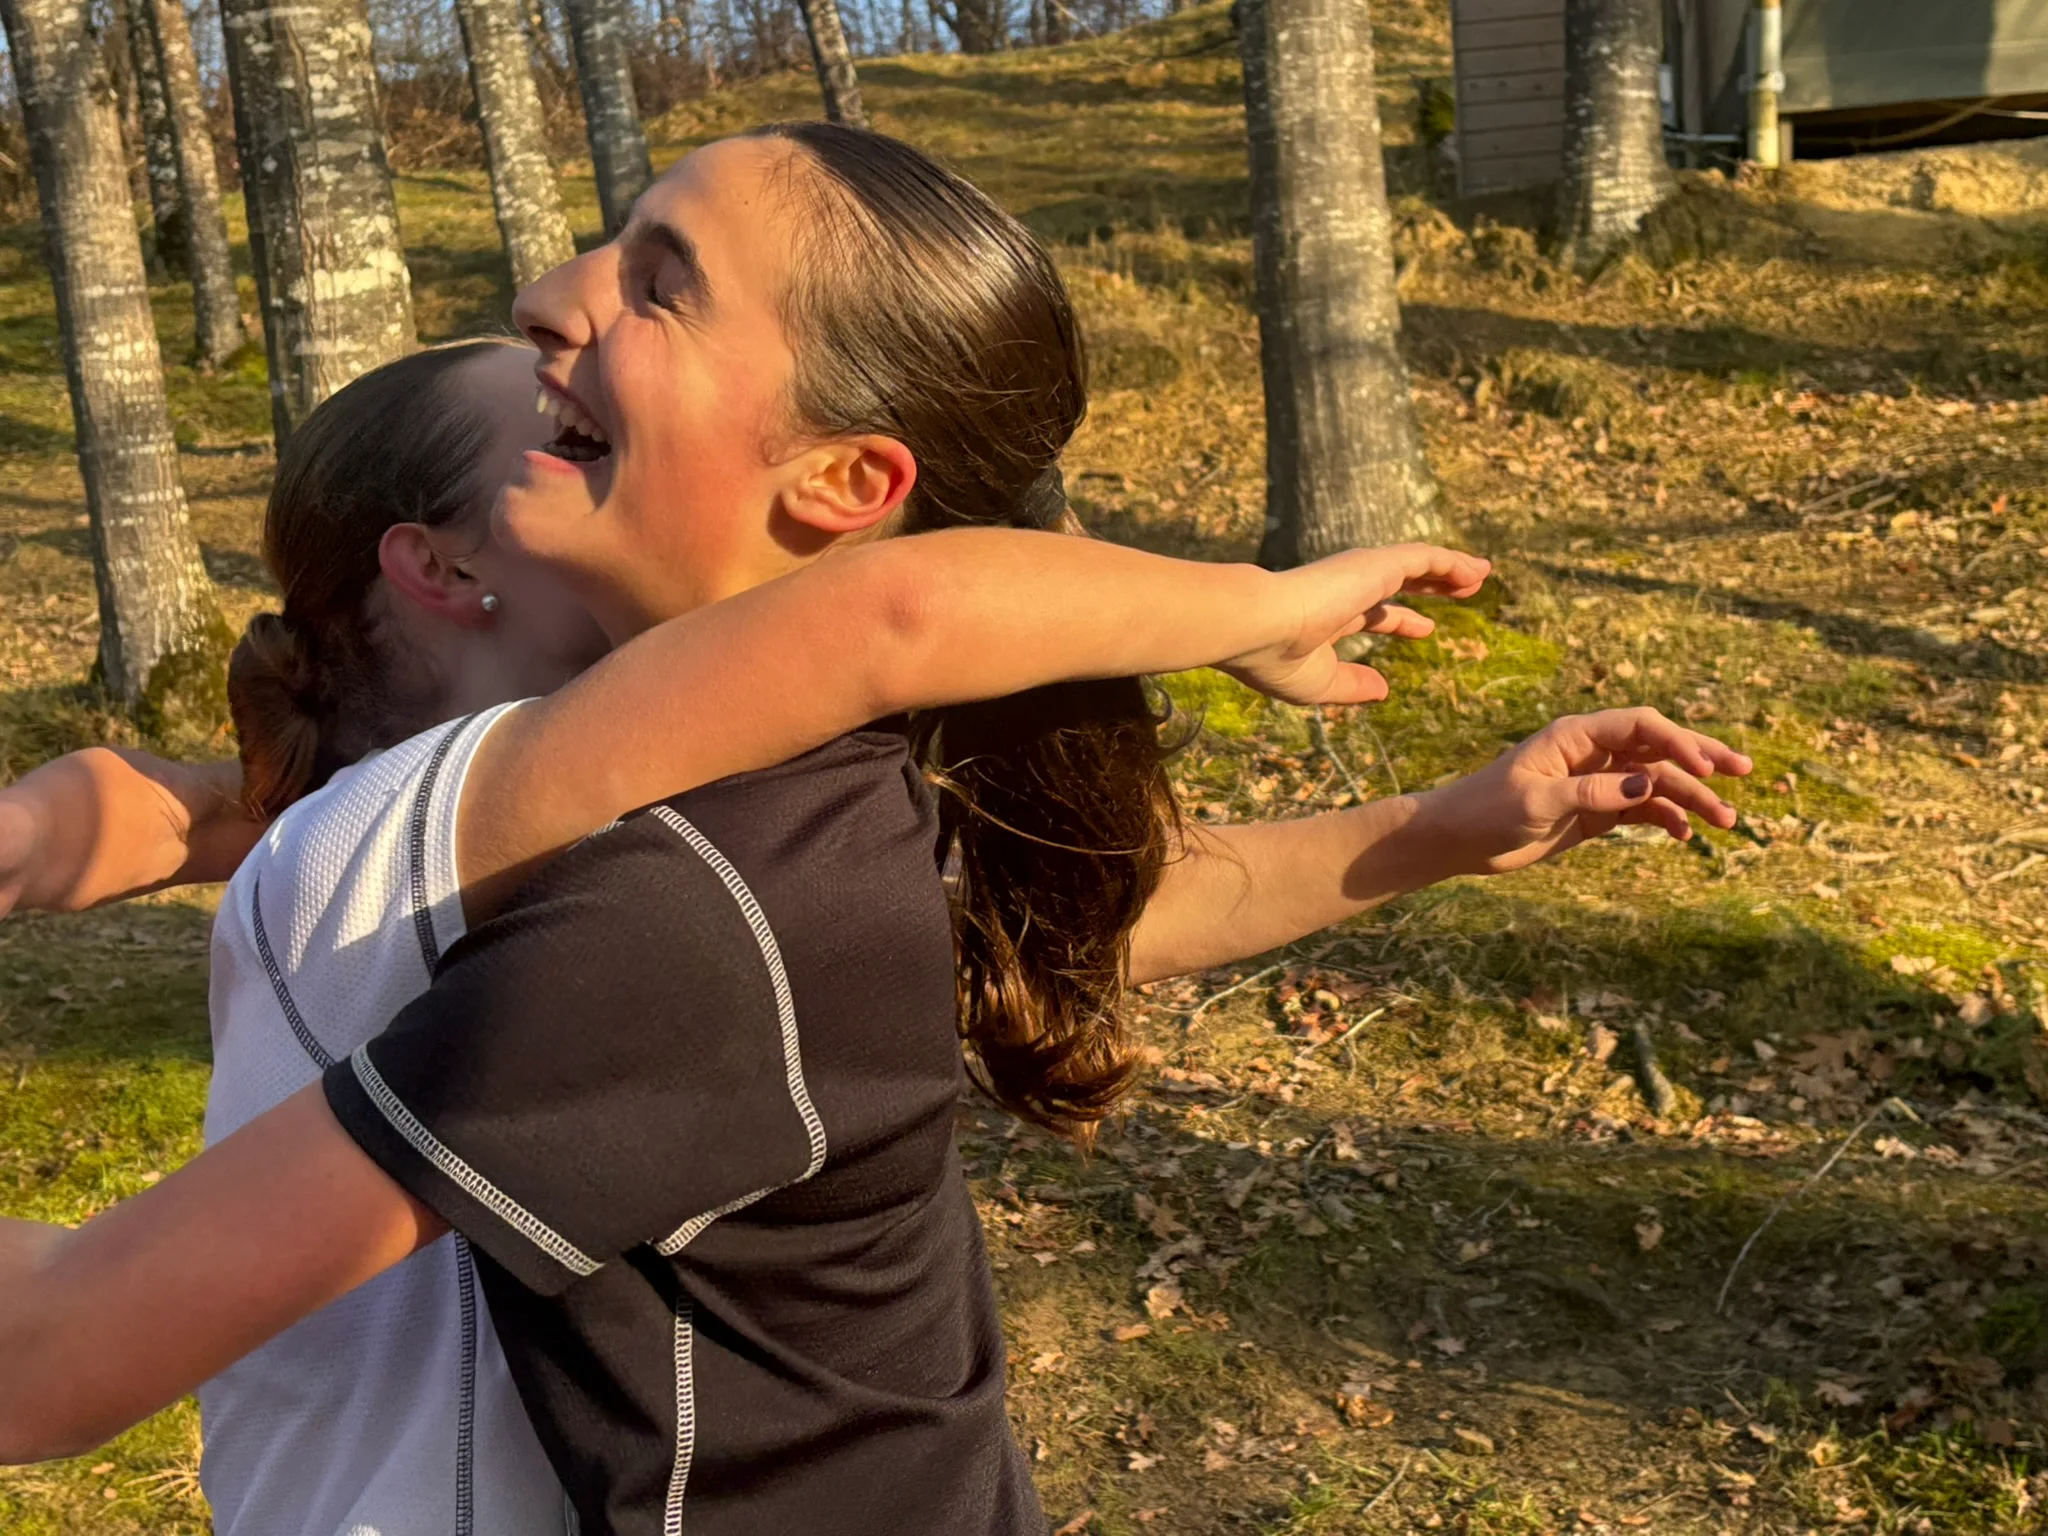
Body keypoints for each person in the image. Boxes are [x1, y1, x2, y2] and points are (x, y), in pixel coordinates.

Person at [0, 125, 1748, 1535]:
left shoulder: (685, 915)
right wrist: (1440, 825)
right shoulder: (763, 813)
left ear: (848, 483)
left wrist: (1262, 606)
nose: (550, 298)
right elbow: (1030, 912)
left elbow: (50, 1357)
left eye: (662, 282)